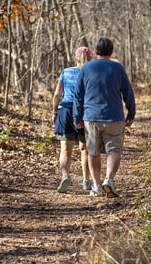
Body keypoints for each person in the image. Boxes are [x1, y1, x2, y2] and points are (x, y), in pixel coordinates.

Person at [73, 37, 136, 198]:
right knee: (114, 151)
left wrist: (77, 117)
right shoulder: (118, 68)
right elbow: (128, 92)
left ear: (95, 51)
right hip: (114, 116)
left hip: (91, 117)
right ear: (111, 51)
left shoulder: (86, 68)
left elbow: (78, 95)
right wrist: (131, 113)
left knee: (93, 152)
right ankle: (109, 179)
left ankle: (96, 185)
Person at [51, 46, 92, 193]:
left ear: (76, 58)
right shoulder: (91, 73)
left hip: (66, 111)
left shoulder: (66, 72)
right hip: (84, 112)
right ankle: (86, 180)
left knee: (65, 149)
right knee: (85, 149)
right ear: (90, 58)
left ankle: (65, 175)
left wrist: (55, 111)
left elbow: (57, 94)